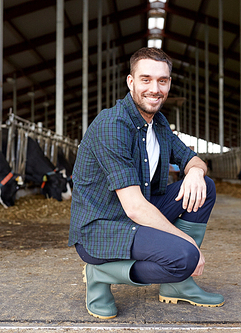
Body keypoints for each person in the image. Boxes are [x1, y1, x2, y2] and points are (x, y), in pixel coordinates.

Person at [68, 47, 224, 319]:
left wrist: (196, 173)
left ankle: (178, 285)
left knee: (205, 187)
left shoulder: (158, 123)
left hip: (135, 217)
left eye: (162, 81)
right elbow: (135, 208)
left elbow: (193, 159)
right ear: (131, 82)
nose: (155, 88)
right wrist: (189, 243)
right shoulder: (112, 124)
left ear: (169, 84)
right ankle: (99, 273)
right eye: (146, 79)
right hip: (103, 227)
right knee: (184, 257)